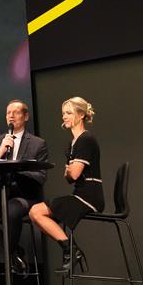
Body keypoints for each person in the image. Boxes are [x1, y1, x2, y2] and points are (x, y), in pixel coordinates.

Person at [0, 99, 48, 276]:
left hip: (23, 196)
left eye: (16, 112)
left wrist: (16, 168)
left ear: (26, 116)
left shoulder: (37, 144)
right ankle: (14, 253)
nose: (11, 116)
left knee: (12, 210)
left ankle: (11, 256)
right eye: (8, 113)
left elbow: (41, 177)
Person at [29, 97, 104, 274]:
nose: (64, 117)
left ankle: (71, 250)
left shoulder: (85, 140)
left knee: (36, 211)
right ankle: (71, 250)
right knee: (35, 213)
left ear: (81, 115)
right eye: (63, 113)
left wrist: (70, 171)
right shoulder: (73, 143)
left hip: (88, 197)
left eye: (69, 113)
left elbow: (74, 174)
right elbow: (69, 178)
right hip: (80, 193)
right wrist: (70, 171)